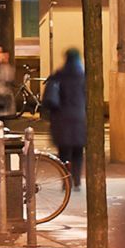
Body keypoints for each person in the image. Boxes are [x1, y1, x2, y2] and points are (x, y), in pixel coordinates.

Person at [47, 48, 89, 196]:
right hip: (79, 118)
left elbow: (49, 99)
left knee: (64, 153)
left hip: (62, 119)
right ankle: (77, 180)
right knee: (78, 152)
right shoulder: (83, 77)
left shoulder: (58, 75)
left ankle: (66, 181)